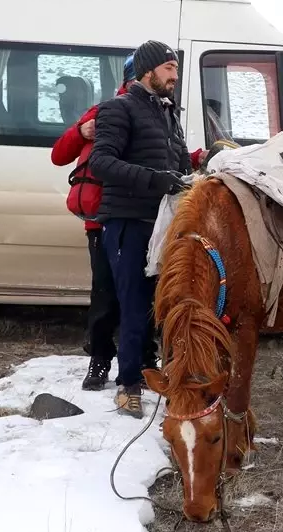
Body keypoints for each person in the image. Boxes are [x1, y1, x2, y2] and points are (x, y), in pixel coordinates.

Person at [89, 40, 195, 417]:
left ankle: (164, 376)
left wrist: (196, 172)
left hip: (163, 225)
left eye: (176, 69)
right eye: (169, 69)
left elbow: (179, 166)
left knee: (162, 305)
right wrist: (158, 180)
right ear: (148, 71)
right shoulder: (117, 109)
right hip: (128, 223)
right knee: (133, 306)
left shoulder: (169, 114)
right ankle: (127, 385)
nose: (175, 76)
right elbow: (101, 163)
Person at [50, 55, 140, 390]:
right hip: (102, 224)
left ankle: (142, 360)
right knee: (105, 295)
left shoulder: (160, 114)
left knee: (139, 296)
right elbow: (59, 155)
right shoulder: (103, 111)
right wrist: (80, 131)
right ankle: (100, 359)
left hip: (140, 220)